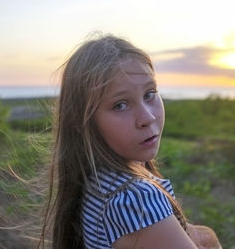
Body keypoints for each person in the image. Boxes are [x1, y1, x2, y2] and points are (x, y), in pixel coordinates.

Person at [39, 34, 222, 249]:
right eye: (120, 105)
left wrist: (207, 237)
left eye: (149, 94)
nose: (148, 118)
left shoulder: (99, 180)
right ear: (84, 123)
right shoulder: (134, 198)